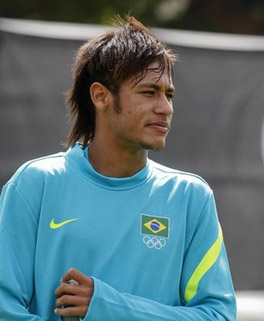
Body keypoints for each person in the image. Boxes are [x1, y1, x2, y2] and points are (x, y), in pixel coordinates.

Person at [0, 15, 236, 321]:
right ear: (100, 96)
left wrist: (107, 307)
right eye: (149, 93)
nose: (165, 108)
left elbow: (218, 315)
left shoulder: (191, 197)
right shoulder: (36, 184)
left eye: (169, 94)